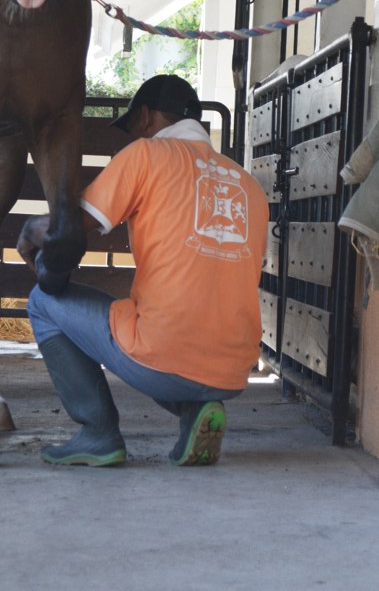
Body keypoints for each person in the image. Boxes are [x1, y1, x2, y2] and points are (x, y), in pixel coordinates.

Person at [18, 74, 269, 468]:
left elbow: (66, 228)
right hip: (234, 368)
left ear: (148, 117)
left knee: (42, 303)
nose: (132, 138)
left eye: (134, 127)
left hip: (163, 356)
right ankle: (194, 413)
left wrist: (29, 229)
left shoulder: (146, 156)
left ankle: (97, 432)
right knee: (154, 325)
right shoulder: (249, 185)